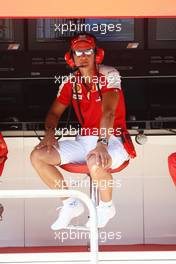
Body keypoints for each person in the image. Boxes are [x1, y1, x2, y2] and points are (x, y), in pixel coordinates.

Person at [30, 33, 136, 230]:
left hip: (112, 139)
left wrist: (102, 143)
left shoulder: (109, 73)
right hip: (83, 141)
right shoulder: (70, 82)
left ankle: (106, 206)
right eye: (78, 51)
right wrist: (50, 134)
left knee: (95, 162)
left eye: (88, 50)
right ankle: (70, 204)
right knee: (38, 156)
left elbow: (109, 111)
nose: (83, 55)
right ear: (71, 56)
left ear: (96, 54)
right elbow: (54, 112)